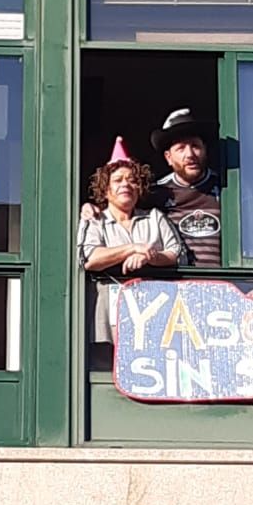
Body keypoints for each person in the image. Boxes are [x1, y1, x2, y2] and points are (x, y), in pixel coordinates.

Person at [78, 139, 184, 349]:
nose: (126, 184)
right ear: (105, 189)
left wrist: (149, 256)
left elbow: (177, 253)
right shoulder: (96, 220)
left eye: (132, 180)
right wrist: (133, 248)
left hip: (156, 312)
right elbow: (89, 259)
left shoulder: (154, 217)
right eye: (118, 180)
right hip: (107, 317)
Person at [150, 108, 222, 267]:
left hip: (224, 285)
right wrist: (91, 209)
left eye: (195, 146)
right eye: (181, 148)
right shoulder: (156, 193)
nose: (190, 154)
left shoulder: (226, 189)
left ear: (205, 150)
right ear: (168, 158)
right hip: (176, 286)